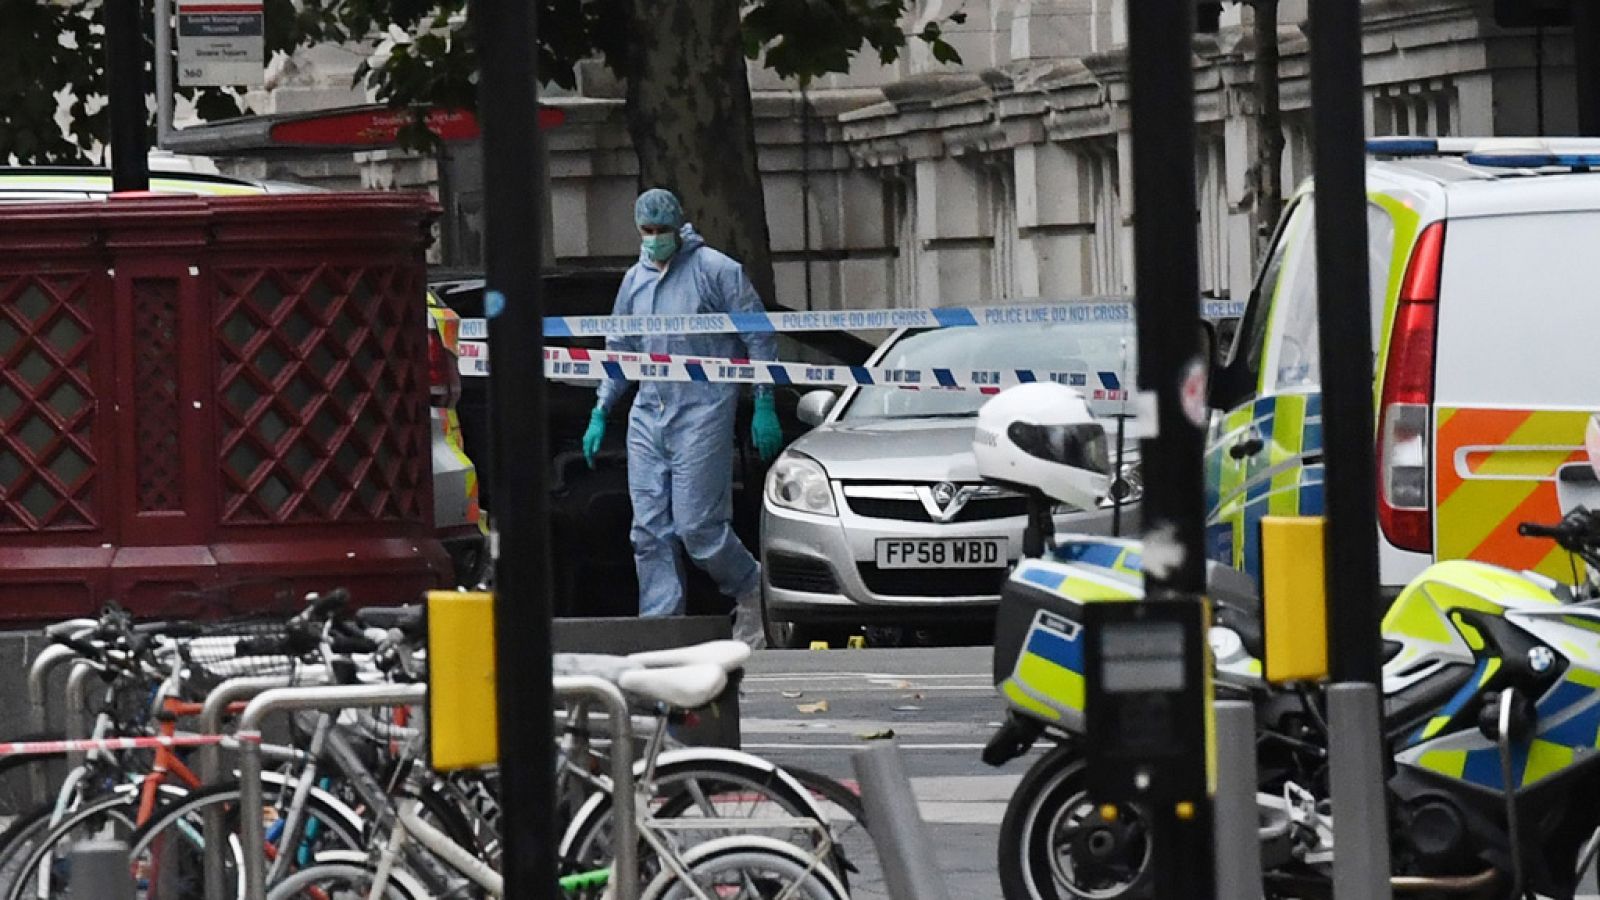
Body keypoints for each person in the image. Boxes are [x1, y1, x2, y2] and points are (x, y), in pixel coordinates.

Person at [582, 188, 783, 648]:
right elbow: (620, 350)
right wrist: (601, 408)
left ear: (679, 226)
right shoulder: (634, 281)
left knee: (698, 527)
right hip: (649, 412)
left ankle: (750, 588)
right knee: (648, 529)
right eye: (647, 231)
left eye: (661, 230)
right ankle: (660, 627)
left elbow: (758, 337)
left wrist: (764, 401)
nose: (654, 238)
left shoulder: (717, 271)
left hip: (704, 410)